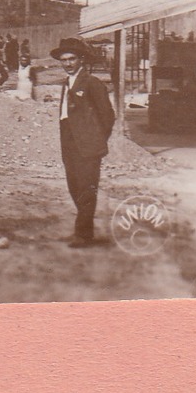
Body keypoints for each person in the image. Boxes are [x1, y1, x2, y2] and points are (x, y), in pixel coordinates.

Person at [52, 37, 117, 247]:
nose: (68, 63)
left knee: (87, 188)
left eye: (72, 59)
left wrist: (96, 140)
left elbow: (107, 116)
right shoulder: (67, 83)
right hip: (69, 142)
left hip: (88, 146)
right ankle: (83, 229)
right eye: (64, 60)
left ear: (81, 59)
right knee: (74, 187)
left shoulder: (92, 83)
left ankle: (83, 234)